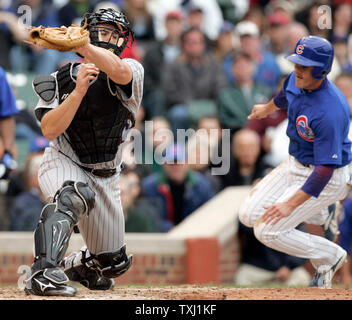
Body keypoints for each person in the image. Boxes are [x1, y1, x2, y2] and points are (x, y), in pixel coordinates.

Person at [24, 8, 144, 297]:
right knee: (73, 194)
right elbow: (49, 130)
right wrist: (77, 92)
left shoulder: (132, 69)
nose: (110, 38)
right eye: (103, 31)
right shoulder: (62, 77)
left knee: (112, 262)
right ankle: (42, 273)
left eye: (115, 34)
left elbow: (118, 71)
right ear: (87, 30)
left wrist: (84, 47)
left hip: (106, 175)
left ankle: (73, 267)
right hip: (65, 160)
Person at [238, 36, 352, 289]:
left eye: (304, 65)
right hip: (295, 163)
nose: (297, 70)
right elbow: (284, 96)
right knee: (247, 215)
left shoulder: (331, 110)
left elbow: (324, 170)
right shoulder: (296, 80)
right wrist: (266, 109)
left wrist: (290, 204)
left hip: (326, 178)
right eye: (296, 63)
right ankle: (323, 211)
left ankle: (332, 256)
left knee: (266, 231)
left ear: (321, 69)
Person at [142, 143, 214, 232]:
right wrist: (169, 229)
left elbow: (209, 213)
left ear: (187, 163)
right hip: (162, 237)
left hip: (193, 233)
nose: (175, 167)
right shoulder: (150, 186)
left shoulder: (201, 185)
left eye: (179, 162)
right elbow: (148, 217)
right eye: (171, 163)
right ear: (164, 164)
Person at [234, 221, 311, 286]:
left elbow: (303, 246)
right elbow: (245, 226)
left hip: (285, 269)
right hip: (256, 269)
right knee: (242, 277)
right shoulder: (252, 212)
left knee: (302, 277)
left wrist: (288, 267)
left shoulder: (292, 215)